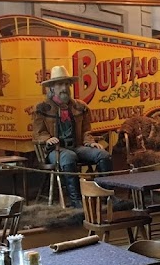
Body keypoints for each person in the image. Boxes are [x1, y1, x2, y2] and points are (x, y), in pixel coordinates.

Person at [32, 64, 111, 208]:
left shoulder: (80, 107)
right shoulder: (42, 108)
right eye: (60, 84)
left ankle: (108, 196)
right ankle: (76, 201)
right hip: (55, 150)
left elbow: (86, 130)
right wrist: (47, 139)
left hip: (77, 146)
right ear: (52, 88)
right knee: (69, 156)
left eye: (66, 84)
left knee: (103, 154)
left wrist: (90, 142)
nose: (64, 87)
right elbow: (38, 133)